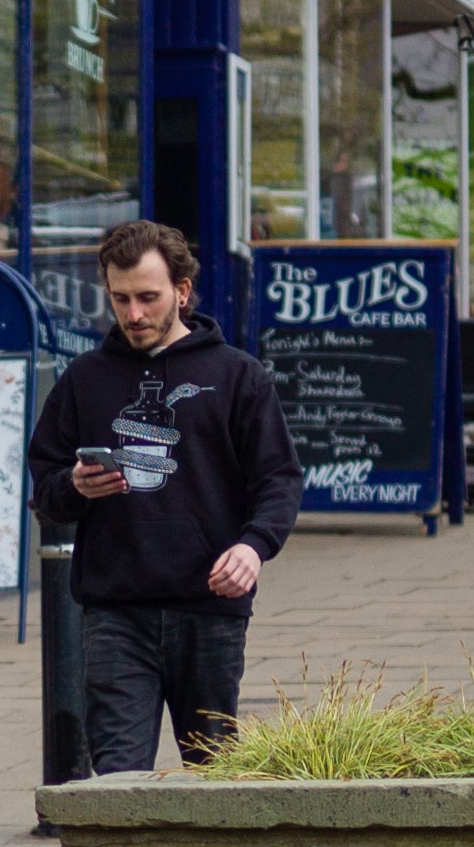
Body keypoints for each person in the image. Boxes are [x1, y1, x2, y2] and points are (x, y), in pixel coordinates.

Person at [25, 220, 302, 772]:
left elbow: (278, 478)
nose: (133, 315)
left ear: (182, 290)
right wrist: (75, 487)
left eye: (148, 298)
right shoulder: (84, 380)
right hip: (114, 610)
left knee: (215, 774)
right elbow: (46, 488)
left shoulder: (238, 376)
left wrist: (252, 548)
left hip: (209, 607)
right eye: (120, 299)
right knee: (117, 775)